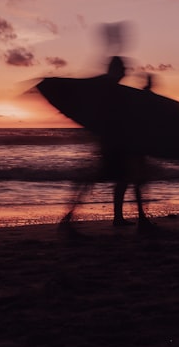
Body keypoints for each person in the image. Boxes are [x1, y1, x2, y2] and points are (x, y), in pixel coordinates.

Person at [59, 56, 155, 234]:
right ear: (114, 70)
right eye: (122, 69)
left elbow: (130, 110)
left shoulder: (113, 89)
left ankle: (128, 219)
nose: (125, 72)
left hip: (116, 143)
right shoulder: (107, 87)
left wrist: (146, 93)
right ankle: (67, 221)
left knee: (126, 180)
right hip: (113, 145)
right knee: (127, 179)